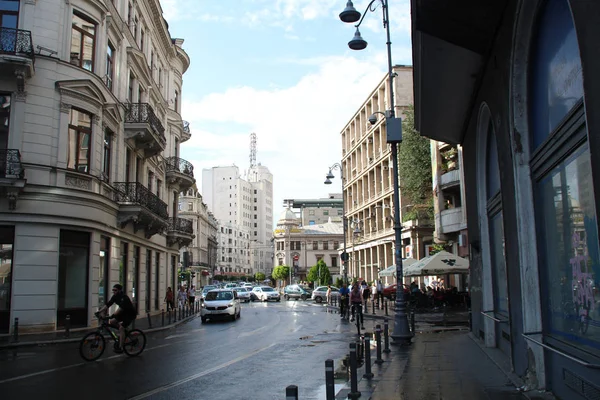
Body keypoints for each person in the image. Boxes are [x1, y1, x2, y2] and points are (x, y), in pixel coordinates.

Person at [97, 284, 137, 353]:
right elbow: (108, 304)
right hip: (123, 313)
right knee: (112, 322)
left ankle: (121, 347)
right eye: (113, 290)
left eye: (115, 290)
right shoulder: (115, 296)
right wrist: (99, 311)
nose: (114, 291)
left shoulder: (124, 298)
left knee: (121, 328)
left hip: (130, 315)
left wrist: (112, 315)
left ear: (119, 290)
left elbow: (120, 309)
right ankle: (124, 333)